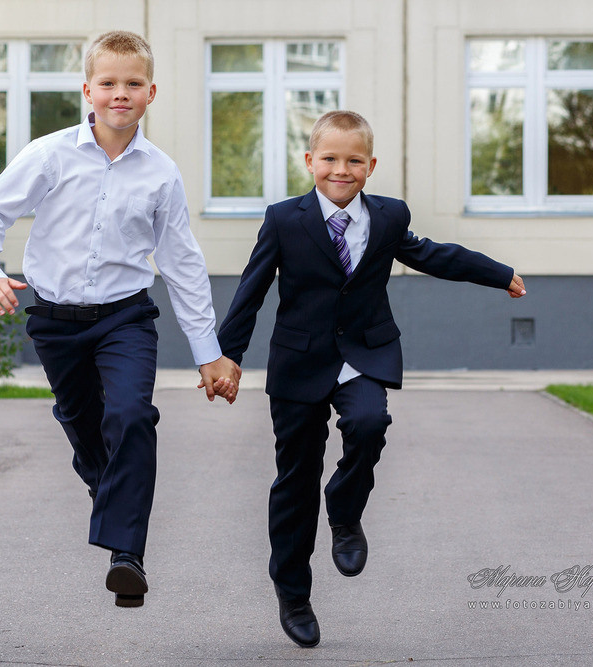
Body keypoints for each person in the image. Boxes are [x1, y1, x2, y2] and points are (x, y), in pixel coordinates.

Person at [215, 110, 525, 647]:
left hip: (362, 353)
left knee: (369, 422)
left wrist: (497, 274)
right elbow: (252, 288)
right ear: (310, 161)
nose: (342, 170)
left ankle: (345, 510)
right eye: (330, 159)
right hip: (299, 362)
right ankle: (294, 593)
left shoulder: (388, 217)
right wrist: (226, 356)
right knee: (296, 480)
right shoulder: (284, 219)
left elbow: (433, 255)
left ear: (371, 166)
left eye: (354, 160)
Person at [0, 30, 241, 609]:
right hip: (55, 320)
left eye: (133, 84)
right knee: (82, 423)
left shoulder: (161, 173)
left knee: (132, 415)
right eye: (108, 83)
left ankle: (127, 556)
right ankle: (111, 493)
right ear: (87, 90)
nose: (121, 93)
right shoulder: (49, 154)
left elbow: (182, 263)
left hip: (125, 318)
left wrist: (208, 352)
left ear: (151, 93)